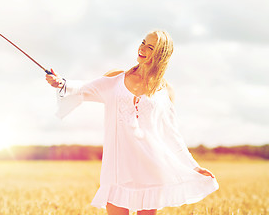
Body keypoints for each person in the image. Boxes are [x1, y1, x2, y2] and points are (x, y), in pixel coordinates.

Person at [45, 30, 219, 215]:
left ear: (161, 55)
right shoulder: (115, 79)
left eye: (150, 47)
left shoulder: (166, 90)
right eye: (143, 42)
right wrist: (60, 82)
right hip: (118, 168)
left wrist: (193, 166)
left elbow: (171, 134)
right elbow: (82, 88)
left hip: (151, 168)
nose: (142, 48)